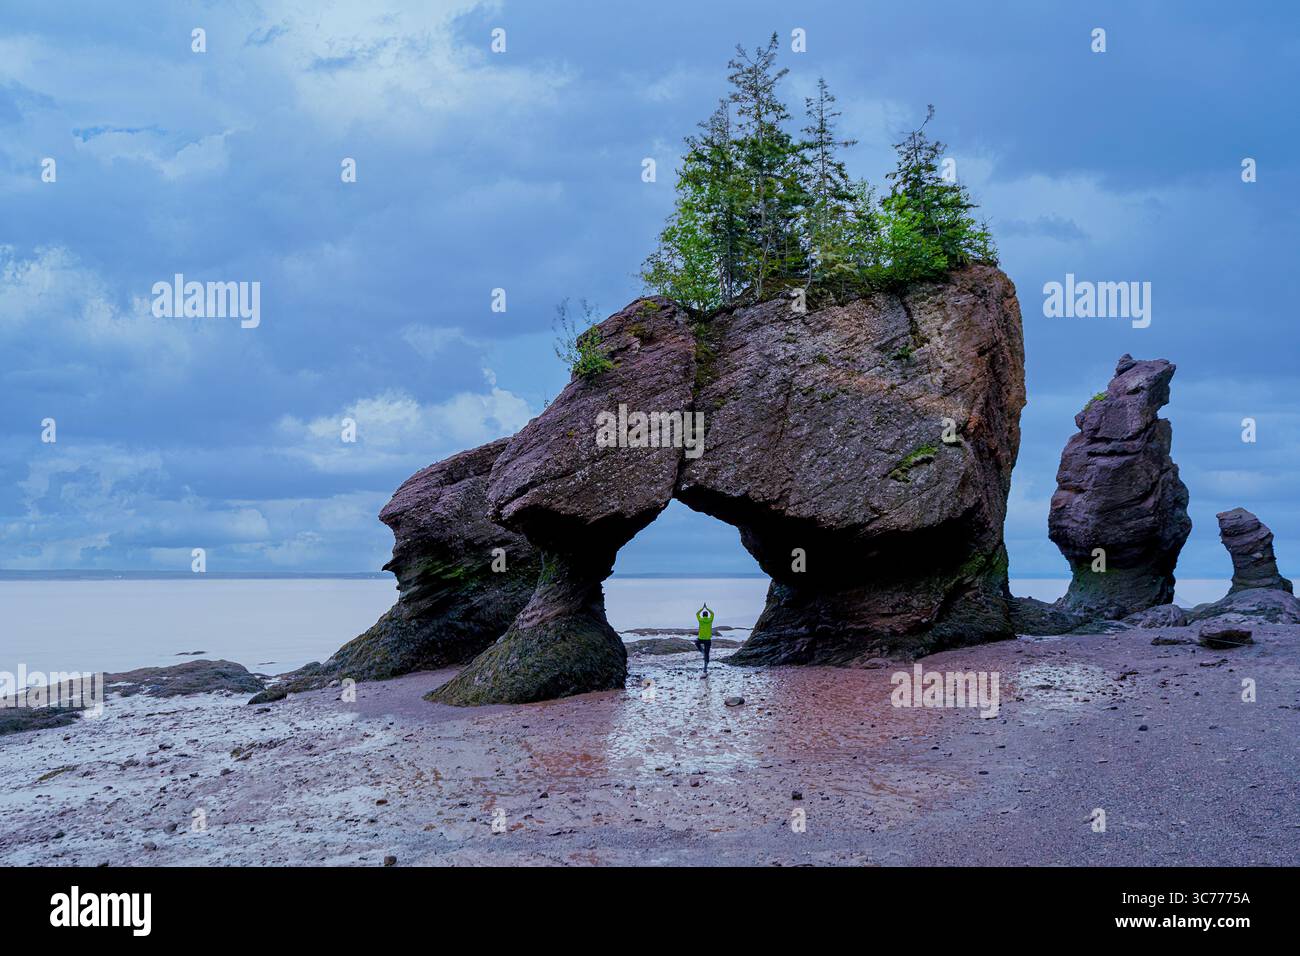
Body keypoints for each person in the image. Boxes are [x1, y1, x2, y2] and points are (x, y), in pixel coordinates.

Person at [694, 603, 714, 674]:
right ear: (707, 615)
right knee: (707, 654)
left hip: (701, 638)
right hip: (708, 639)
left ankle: (702, 652)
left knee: (696, 643)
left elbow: (697, 613)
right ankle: (705, 669)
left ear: (702, 615)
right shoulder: (710, 620)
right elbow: (712, 613)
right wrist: (707, 608)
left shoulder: (700, 620)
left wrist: (702, 608)